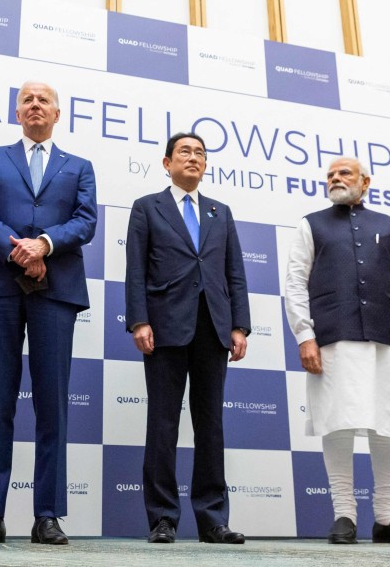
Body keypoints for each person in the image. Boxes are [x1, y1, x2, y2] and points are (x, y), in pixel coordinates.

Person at [0, 80, 97, 545]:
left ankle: (47, 515)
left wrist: (45, 244)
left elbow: (86, 220)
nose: (35, 105)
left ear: (58, 114)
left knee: (52, 404)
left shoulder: (79, 166)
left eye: (44, 100)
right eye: (27, 100)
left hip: (56, 288)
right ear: (17, 112)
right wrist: (17, 248)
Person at [284, 157, 390, 545]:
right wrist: (304, 335)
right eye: (330, 175)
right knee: (338, 422)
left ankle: (386, 518)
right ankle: (344, 515)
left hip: (388, 340)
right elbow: (295, 283)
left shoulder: (389, 226)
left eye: (344, 173)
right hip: (333, 338)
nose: (335, 178)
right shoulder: (310, 224)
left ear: (365, 182)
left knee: (389, 424)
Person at [125, 132, 250, 544]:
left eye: (200, 153)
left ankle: (213, 519)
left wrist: (239, 326)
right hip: (163, 327)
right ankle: (163, 517)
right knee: (163, 423)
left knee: (210, 425)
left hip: (213, 328)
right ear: (167, 163)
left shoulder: (221, 212)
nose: (193, 158)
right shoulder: (147, 207)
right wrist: (139, 321)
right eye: (185, 152)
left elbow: (235, 273)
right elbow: (136, 271)